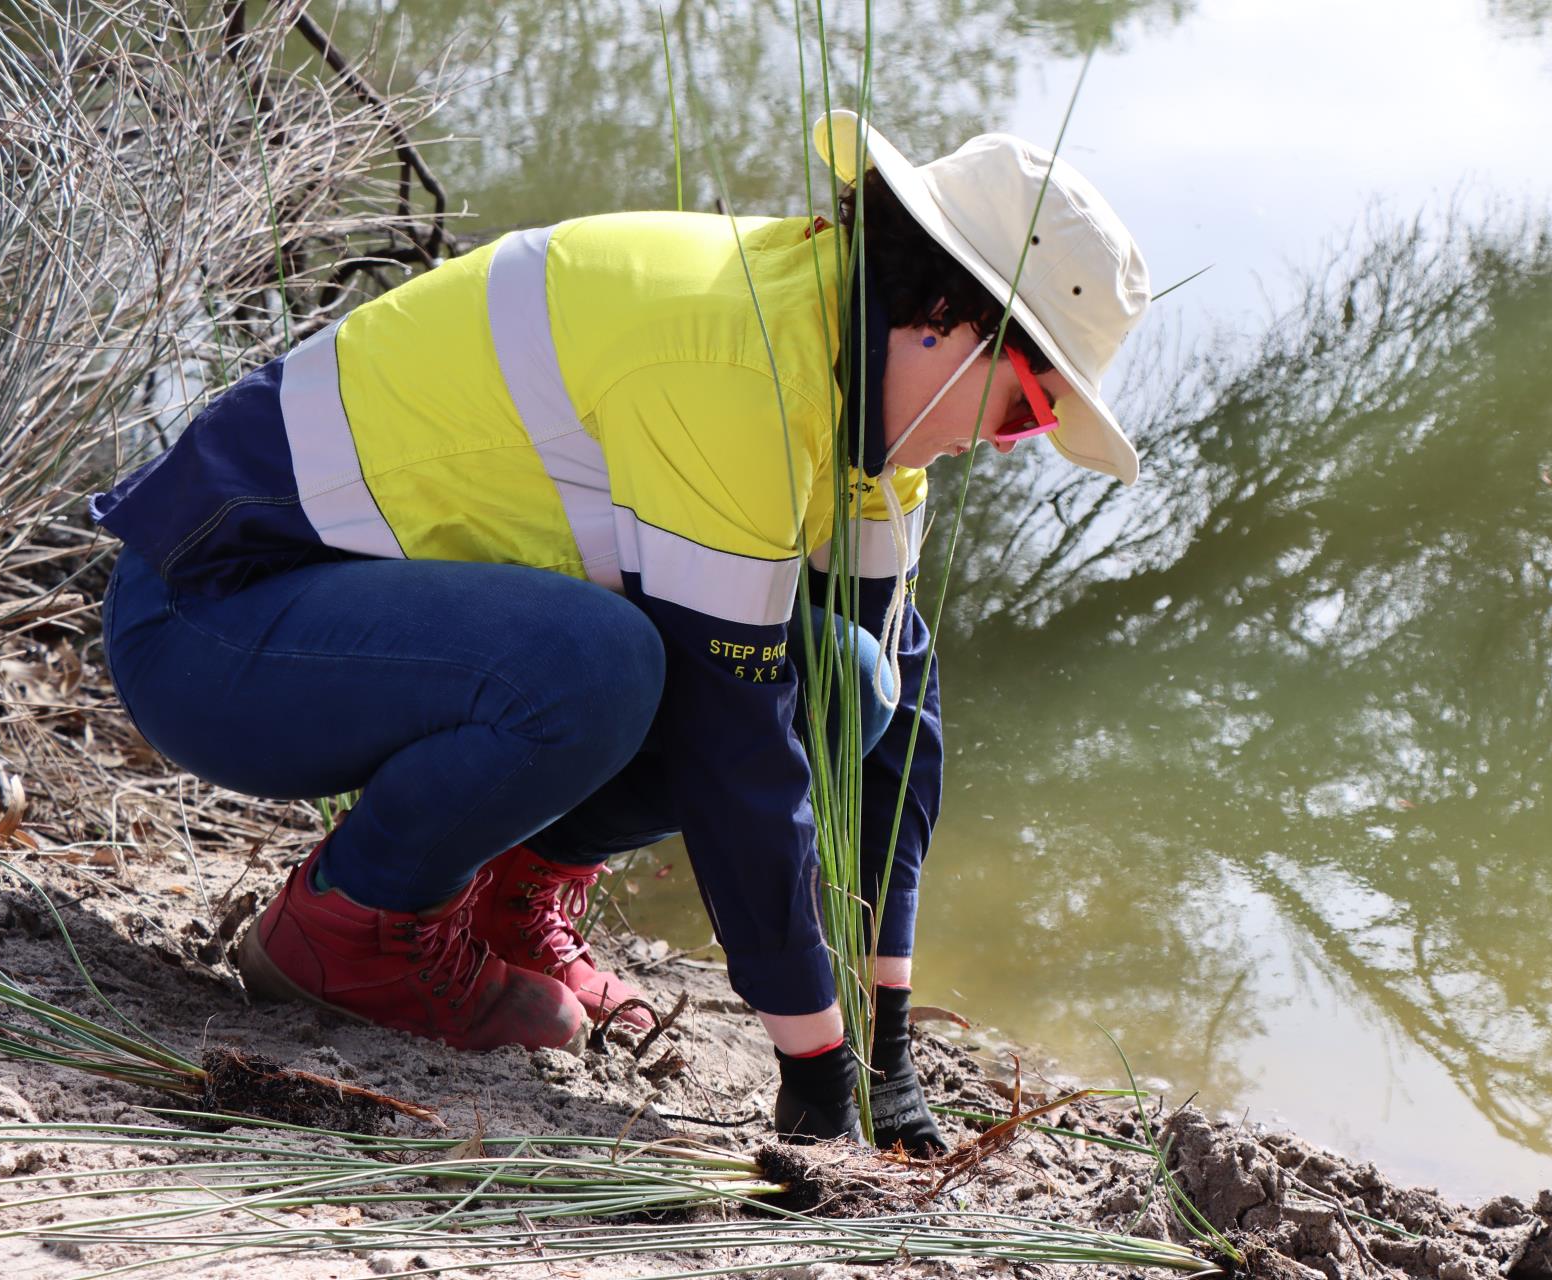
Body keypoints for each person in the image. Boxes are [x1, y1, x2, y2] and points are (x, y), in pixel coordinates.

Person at [91, 109, 1149, 1150]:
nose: (1011, 445)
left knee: (854, 682)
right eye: (1028, 412)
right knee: (602, 665)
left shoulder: (865, 414)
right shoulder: (739, 366)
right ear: (949, 320)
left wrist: (883, 1039)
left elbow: (894, 729)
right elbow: (740, 744)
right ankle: (346, 930)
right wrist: (815, 1068)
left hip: (346, 626)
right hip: (210, 625)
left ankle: (504, 901)